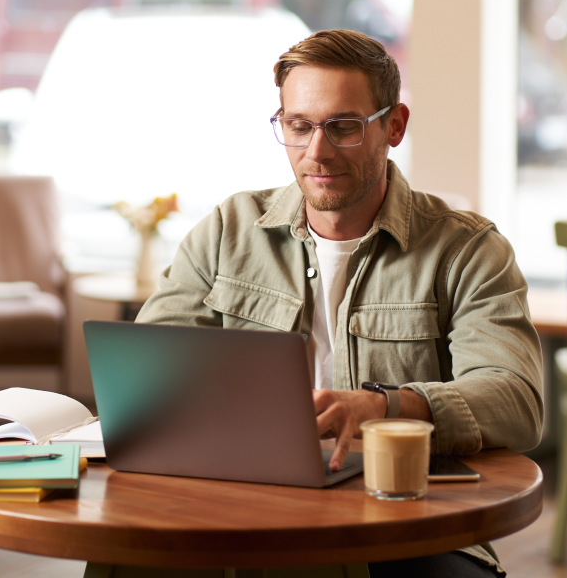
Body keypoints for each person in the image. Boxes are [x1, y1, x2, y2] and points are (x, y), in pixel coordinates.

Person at [136, 29, 543, 577]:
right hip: (240, 510)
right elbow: (148, 378)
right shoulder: (227, 231)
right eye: (298, 127)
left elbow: (515, 400)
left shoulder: (466, 249)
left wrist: (384, 406)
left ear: (394, 126)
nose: (316, 151)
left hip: (406, 524)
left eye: (343, 128)